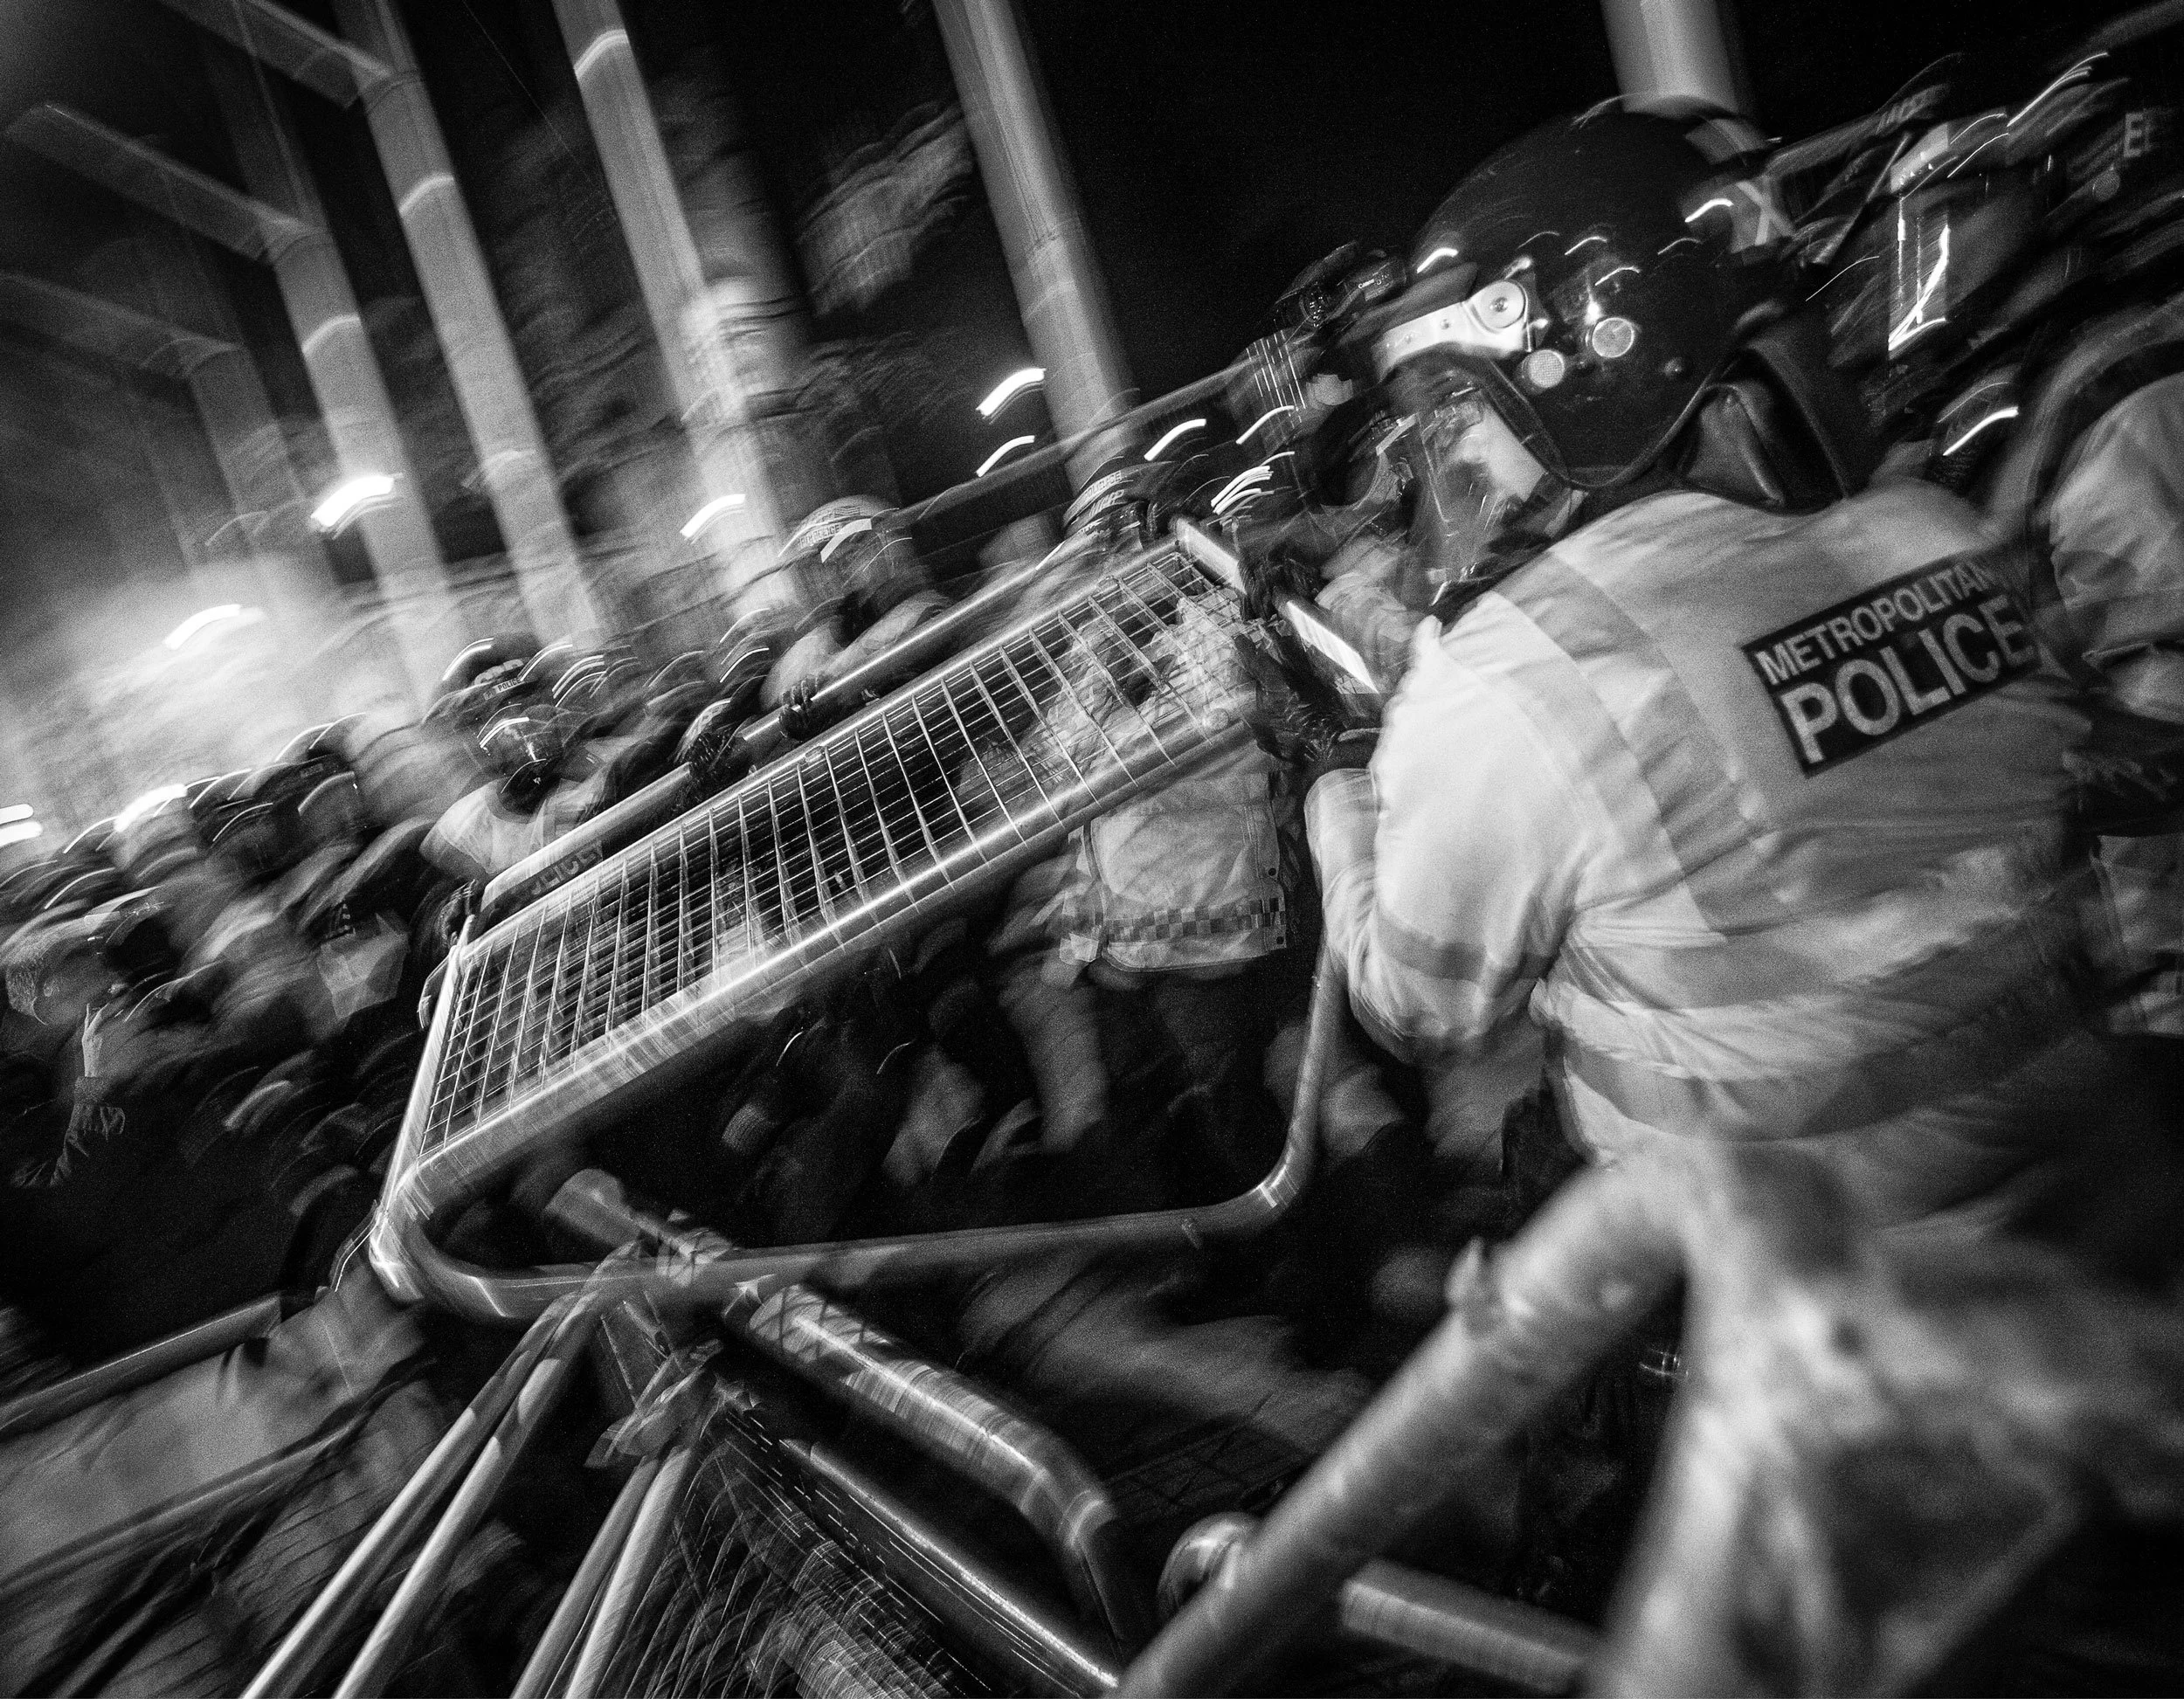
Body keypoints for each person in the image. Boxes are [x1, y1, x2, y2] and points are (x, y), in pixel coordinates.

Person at [1302, 107, 2178, 1255]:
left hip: (1776, 1298)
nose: (1456, 455)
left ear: (1575, 379)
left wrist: (1337, 797)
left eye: (1462, 407)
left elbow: (1424, 1003)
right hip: (2085, 1202)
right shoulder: (1930, 533)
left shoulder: (1517, 671)